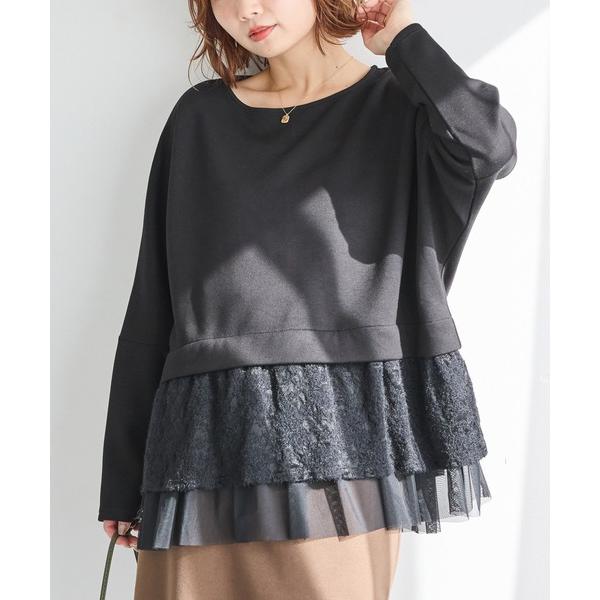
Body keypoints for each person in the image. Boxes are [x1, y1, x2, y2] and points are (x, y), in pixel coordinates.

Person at [98, 0, 517, 598]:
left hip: (338, 440)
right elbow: (153, 302)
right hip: (196, 445)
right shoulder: (199, 118)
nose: (246, 9)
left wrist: (403, 40)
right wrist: (123, 478)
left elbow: (488, 147)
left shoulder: (399, 106)